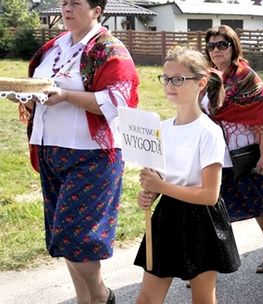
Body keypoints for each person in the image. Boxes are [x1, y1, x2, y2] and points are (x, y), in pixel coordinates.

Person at [17, 0, 139, 303]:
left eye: (75, 3)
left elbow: (119, 101)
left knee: (77, 236)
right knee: (62, 234)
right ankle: (86, 300)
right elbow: (39, 89)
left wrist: (67, 96)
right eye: (63, 2)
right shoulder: (53, 46)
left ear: (96, 10)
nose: (66, 8)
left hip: (92, 154)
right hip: (50, 150)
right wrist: (26, 98)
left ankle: (101, 296)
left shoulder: (110, 50)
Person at [133, 47, 241, 303]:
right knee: (147, 297)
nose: (171, 84)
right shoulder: (161, 128)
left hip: (202, 220)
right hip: (166, 216)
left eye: (179, 79)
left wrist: (162, 186)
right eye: (166, 78)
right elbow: (161, 179)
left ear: (201, 83)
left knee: (202, 298)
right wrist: (150, 192)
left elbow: (209, 195)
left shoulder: (209, 132)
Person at [204, 25, 263, 273]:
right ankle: (209, 264)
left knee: (261, 206)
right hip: (215, 153)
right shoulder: (205, 77)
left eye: (222, 44)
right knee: (212, 208)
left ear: (233, 46)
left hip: (245, 151)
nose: (216, 50)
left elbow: (260, 118)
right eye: (211, 45)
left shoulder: (247, 78)